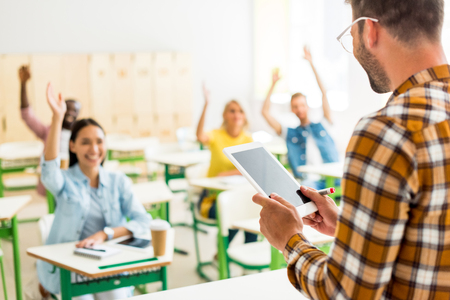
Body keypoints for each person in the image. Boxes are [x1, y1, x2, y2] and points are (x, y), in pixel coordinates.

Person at [253, 0, 450, 299]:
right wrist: (350, 228)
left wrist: (290, 239)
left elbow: (345, 292)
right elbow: (431, 240)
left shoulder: (386, 132)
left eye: (351, 35)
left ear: (369, 30)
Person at [36, 83, 151, 299]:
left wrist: (105, 234)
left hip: (108, 262)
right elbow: (49, 171)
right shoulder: (65, 180)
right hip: (70, 265)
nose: (94, 149)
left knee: (116, 296)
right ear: (72, 146)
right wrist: (57, 118)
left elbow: (143, 221)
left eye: (99, 142)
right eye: (85, 142)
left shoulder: (118, 182)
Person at [261, 47, 339, 187]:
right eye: (295, 106)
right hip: (308, 182)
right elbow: (265, 112)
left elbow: (324, 93)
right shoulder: (290, 133)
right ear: (292, 109)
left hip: (332, 180)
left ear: (307, 106)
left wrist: (311, 64)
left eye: (302, 105)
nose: (299, 109)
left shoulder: (323, 124)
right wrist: (273, 84)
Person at [196, 84, 257, 243]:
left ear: (245, 116)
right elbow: (199, 136)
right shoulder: (216, 135)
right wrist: (206, 105)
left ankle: (245, 252)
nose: (236, 114)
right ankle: (223, 254)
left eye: (240, 111)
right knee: (237, 209)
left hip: (238, 193)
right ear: (224, 115)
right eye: (232, 111)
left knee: (252, 208)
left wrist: (226, 174)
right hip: (213, 198)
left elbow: (250, 170)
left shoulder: (248, 139)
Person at [19, 65, 81, 195]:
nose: (70, 112)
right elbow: (27, 115)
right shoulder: (48, 131)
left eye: (74, 110)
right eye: (67, 108)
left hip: (74, 181)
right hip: (53, 181)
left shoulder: (80, 134)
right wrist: (23, 84)